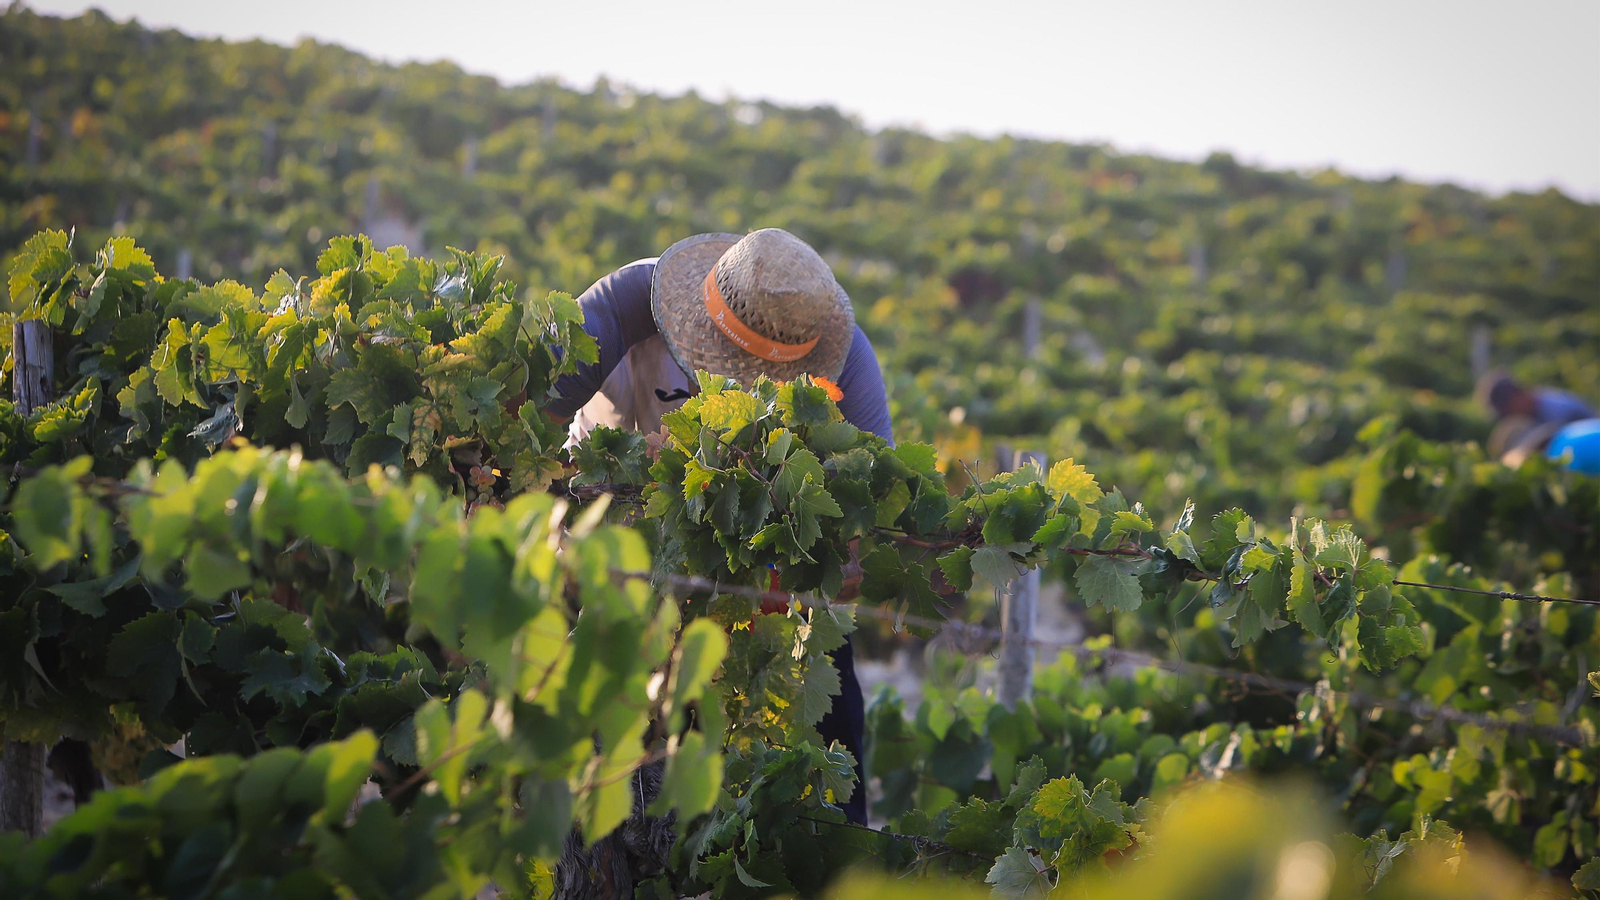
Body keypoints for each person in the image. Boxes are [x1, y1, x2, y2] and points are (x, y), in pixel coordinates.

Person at [546, 228, 889, 825]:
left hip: (757, 564)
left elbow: (863, 540)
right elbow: (529, 425)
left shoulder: (848, 361)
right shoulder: (626, 304)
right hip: (612, 537)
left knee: (827, 701)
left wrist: (782, 586)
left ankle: (834, 849)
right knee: (604, 738)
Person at [1477, 371, 1597, 468]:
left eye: (1508, 410)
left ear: (1517, 397)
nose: (1510, 416)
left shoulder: (1554, 409)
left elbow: (1551, 442)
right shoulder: (1532, 412)